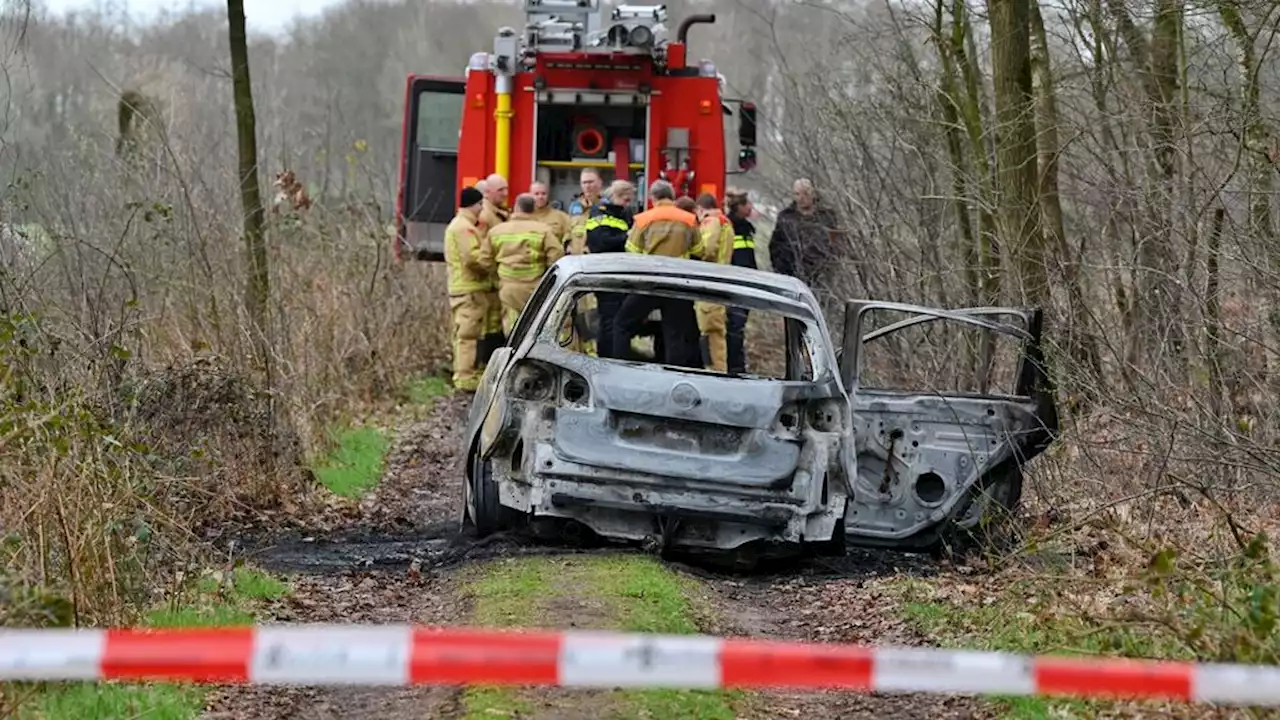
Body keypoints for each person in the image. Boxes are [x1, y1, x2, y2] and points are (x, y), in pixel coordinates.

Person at [613, 180, 705, 368]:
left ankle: (619, 367)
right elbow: (700, 250)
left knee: (622, 324)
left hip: (649, 282)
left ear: (653, 198)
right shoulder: (689, 219)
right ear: (672, 196)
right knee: (675, 333)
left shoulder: (643, 219)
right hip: (678, 283)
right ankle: (674, 374)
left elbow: (631, 250)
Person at [483, 193, 565, 335]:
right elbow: (556, 256)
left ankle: (514, 354)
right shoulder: (543, 230)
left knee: (513, 330)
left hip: (508, 288)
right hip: (535, 288)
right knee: (535, 327)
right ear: (533, 208)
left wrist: (498, 276)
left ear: (516, 207)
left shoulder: (496, 231)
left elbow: (484, 260)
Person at [443, 186, 495, 392]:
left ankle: (466, 373)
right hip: (469, 289)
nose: (483, 209)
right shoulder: (465, 228)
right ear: (475, 205)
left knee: (465, 332)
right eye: (481, 204)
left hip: (463, 287)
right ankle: (465, 377)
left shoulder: (460, 225)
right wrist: (491, 266)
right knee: (467, 334)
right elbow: (472, 258)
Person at [584, 180, 637, 358]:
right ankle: (606, 357)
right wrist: (626, 237)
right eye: (625, 200)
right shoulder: (600, 213)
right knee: (609, 320)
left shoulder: (623, 213)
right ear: (615, 196)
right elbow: (599, 243)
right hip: (605, 272)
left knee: (618, 320)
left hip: (622, 273)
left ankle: (616, 356)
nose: (628, 204)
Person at [769, 178, 843, 292]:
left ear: (813, 194)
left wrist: (831, 266)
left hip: (822, 277)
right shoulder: (786, 217)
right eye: (797, 194)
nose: (801, 198)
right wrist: (781, 268)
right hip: (793, 276)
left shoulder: (827, 216)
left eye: (805, 193)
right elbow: (775, 245)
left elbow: (837, 242)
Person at [693, 192, 734, 372]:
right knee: (716, 333)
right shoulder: (725, 221)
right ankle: (717, 371)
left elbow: (708, 249)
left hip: (708, 282)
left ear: (700, 209)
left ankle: (715, 373)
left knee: (711, 334)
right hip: (719, 280)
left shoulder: (711, 221)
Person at [476, 174, 510, 357]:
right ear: (488, 193)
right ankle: (486, 360)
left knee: (496, 321)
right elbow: (483, 250)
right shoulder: (485, 216)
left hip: (498, 279)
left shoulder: (500, 213)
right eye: (501, 190)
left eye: (506, 189)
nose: (505, 193)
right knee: (489, 323)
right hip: (490, 281)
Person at [726, 191, 758, 375]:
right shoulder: (731, 227)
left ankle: (736, 365)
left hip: (746, 283)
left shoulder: (745, 228)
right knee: (735, 326)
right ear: (739, 207)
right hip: (736, 284)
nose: (751, 208)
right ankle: (735, 367)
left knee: (738, 326)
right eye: (748, 204)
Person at [566, 169, 603, 254]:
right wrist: (567, 245)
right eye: (584, 183)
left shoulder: (607, 206)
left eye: (590, 182)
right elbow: (568, 230)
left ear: (600, 183)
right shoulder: (574, 206)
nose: (587, 186)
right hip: (576, 257)